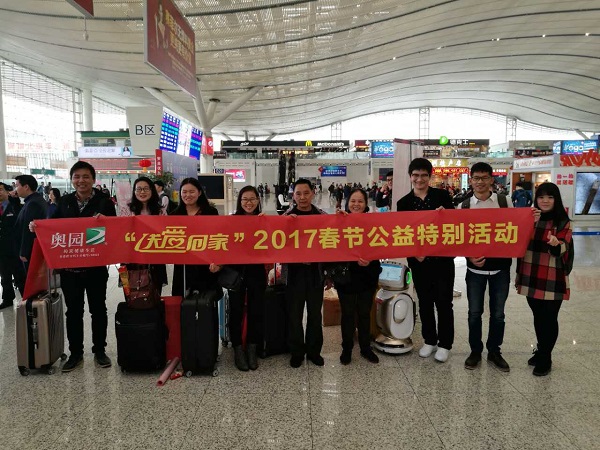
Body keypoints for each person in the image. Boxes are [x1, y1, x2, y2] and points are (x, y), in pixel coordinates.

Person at [49, 161, 116, 372]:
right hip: (70, 270)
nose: (81, 181)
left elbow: (115, 230)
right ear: (72, 180)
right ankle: (75, 353)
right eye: (76, 177)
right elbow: (51, 227)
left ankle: (99, 350)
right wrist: (36, 226)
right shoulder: (64, 202)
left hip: (96, 267)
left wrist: (106, 221)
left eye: (86, 176)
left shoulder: (104, 202)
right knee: (73, 312)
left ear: (93, 179)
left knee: (99, 310)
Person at [397, 158, 456, 363]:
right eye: (415, 175)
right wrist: (414, 252)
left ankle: (445, 344)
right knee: (424, 302)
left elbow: (454, 226)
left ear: (430, 176)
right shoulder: (403, 203)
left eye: (423, 175)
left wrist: (446, 215)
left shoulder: (442, 197)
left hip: (442, 261)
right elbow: (401, 232)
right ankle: (429, 340)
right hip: (419, 262)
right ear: (410, 177)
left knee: (444, 303)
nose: (419, 179)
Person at [459, 162, 513, 372]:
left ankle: (494, 351)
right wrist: (469, 257)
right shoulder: (463, 207)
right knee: (474, 313)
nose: (480, 182)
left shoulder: (504, 202)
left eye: (484, 178)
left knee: (498, 314)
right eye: (476, 178)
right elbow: (459, 238)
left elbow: (516, 231)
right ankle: (475, 351)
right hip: (475, 271)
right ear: (471, 180)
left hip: (501, 269)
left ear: (492, 179)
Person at [516, 182, 571, 377]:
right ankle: (541, 350)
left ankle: (546, 357)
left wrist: (556, 245)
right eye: (541, 197)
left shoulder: (562, 221)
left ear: (556, 199)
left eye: (550, 197)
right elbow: (516, 239)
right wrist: (527, 223)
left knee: (549, 317)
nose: (545, 201)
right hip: (530, 273)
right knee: (538, 315)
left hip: (552, 275)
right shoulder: (530, 217)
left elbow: (564, 246)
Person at [334, 188, 381, 365]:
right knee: (347, 314)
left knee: (364, 313)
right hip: (346, 276)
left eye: (360, 201)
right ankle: (346, 348)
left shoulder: (372, 223)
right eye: (353, 201)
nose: (356, 204)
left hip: (367, 275)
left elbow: (380, 246)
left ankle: (365, 348)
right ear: (347, 203)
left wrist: (370, 260)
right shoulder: (340, 222)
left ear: (366, 204)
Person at [284, 179, 327, 368]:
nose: (302, 197)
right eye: (298, 194)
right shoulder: (286, 217)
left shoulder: (322, 216)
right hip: (293, 275)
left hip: (315, 274)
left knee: (315, 315)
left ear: (313, 193)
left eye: (306, 193)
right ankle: (296, 352)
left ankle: (314, 351)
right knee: (294, 316)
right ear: (293, 196)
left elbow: (332, 242)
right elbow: (278, 244)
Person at [227, 186, 267, 371]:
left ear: (258, 200)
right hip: (235, 272)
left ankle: (252, 347)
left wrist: (267, 224)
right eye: (245, 199)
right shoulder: (232, 221)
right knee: (235, 310)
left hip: (257, 272)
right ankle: (237, 349)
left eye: (252, 199)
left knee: (256, 311)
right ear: (239, 201)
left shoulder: (263, 220)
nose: (248, 203)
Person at [170, 178, 220, 297]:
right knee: (182, 301)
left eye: (192, 191)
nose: (188, 195)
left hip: (205, 264)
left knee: (205, 301)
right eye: (184, 192)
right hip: (183, 266)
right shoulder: (174, 215)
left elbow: (218, 236)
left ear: (199, 192)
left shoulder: (211, 212)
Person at [119, 177, 168, 296]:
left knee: (154, 295)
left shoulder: (160, 211)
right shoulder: (126, 210)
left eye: (146, 189)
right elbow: (120, 232)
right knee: (131, 296)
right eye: (139, 189)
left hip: (155, 260)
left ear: (152, 191)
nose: (142, 192)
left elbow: (165, 233)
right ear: (134, 191)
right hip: (130, 260)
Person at [14, 174, 48, 275]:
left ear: (26, 187)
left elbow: (28, 229)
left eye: (17, 186)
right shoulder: (35, 200)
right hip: (33, 250)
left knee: (31, 278)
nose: (15, 189)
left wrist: (24, 252)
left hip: (31, 251)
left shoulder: (33, 204)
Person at [0, 183, 24, 310]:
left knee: (19, 274)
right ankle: (7, 299)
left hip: (15, 248)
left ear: (7, 192)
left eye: (0, 190)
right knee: (4, 275)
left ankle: (26, 297)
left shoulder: (15, 206)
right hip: (1, 249)